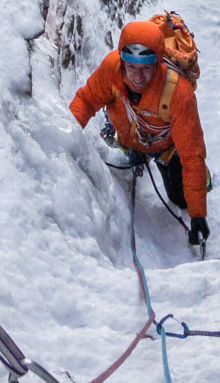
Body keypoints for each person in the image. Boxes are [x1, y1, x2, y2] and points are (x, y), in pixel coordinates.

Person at [69, 18, 209, 247]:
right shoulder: (111, 69)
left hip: (166, 147)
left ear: (158, 64)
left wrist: (197, 215)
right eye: (131, 67)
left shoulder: (179, 93)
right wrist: (67, 135)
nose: (137, 76)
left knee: (180, 198)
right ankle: (131, 149)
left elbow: (192, 155)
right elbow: (85, 100)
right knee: (132, 153)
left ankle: (201, 178)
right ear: (123, 62)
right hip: (129, 137)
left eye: (146, 68)